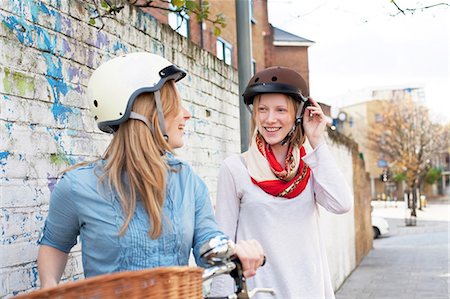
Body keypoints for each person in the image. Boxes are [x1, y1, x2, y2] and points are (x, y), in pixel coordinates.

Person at [37, 52, 264, 289]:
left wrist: (233, 252)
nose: (186, 114)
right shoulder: (78, 185)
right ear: (145, 112)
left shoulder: (187, 180)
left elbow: (208, 240)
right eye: (174, 105)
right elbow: (55, 243)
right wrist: (49, 285)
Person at [210, 66, 353, 298]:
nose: (270, 119)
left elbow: (342, 203)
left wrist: (317, 141)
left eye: (280, 110)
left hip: (309, 291)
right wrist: (220, 296)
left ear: (298, 114)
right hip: (261, 292)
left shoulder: (311, 166)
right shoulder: (235, 168)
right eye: (262, 110)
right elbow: (223, 243)